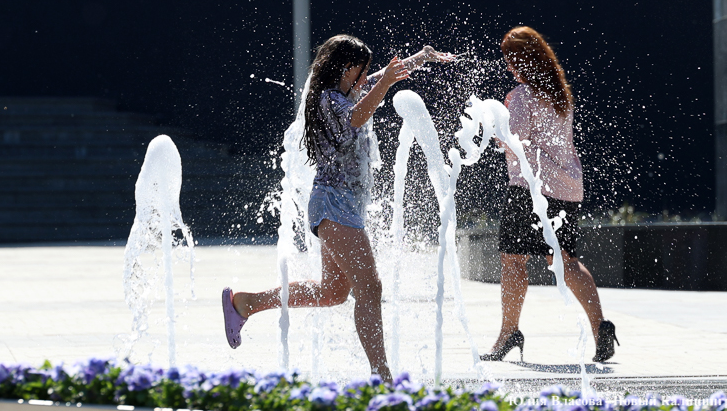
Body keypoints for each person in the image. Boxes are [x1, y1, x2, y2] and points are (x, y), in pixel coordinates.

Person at [222, 34, 453, 382]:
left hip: (341, 206)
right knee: (370, 287)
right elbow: (357, 117)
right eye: (362, 72)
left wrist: (422, 57)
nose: (366, 78)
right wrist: (386, 82)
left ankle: (246, 303)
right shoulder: (329, 100)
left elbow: (376, 85)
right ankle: (383, 377)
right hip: (333, 204)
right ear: (346, 69)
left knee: (333, 292)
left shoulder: (348, 92)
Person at [481, 26, 619, 363]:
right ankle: (601, 326)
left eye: (512, 59)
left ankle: (507, 334)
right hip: (567, 187)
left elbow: (513, 143)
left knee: (513, 260)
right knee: (565, 260)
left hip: (531, 188)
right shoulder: (561, 93)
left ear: (526, 59)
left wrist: (491, 124)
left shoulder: (521, 97)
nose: (509, 66)